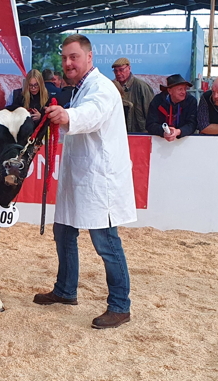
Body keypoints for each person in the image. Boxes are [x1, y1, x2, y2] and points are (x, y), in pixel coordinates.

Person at [37, 34, 136, 329]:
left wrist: (67, 114)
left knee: (106, 242)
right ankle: (66, 290)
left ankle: (120, 306)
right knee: (64, 232)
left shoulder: (102, 89)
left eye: (74, 57)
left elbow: (90, 115)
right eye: (65, 58)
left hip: (98, 180)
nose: (68, 63)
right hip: (78, 177)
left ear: (89, 57)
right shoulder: (80, 88)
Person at [145, 74, 198, 141]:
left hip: (184, 141)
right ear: (170, 91)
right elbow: (150, 124)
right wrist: (164, 132)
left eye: (185, 89)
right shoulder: (157, 101)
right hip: (160, 142)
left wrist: (178, 132)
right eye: (180, 89)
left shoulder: (191, 101)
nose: (184, 92)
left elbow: (192, 124)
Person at [111, 57, 154, 133]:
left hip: (139, 133)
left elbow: (151, 114)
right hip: (117, 132)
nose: (118, 73)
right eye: (115, 71)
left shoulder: (142, 87)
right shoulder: (111, 86)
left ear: (129, 68)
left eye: (121, 70)